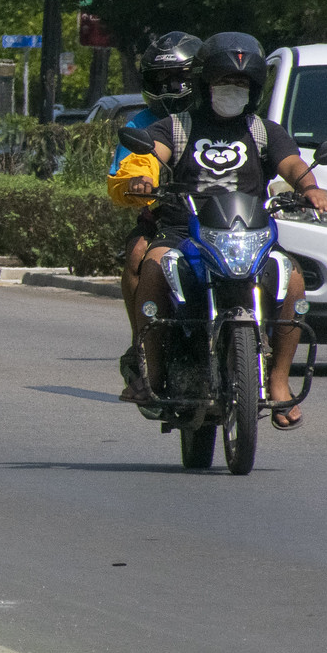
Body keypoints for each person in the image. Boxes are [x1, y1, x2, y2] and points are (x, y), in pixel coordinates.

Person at [127, 32, 327, 426]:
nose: (231, 90)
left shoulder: (264, 131)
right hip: (184, 232)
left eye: (240, 83)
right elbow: (151, 154)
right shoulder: (177, 126)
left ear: (253, 89)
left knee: (293, 281)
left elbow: (291, 164)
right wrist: (142, 176)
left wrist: (310, 188)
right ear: (205, 84)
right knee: (153, 266)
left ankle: (278, 382)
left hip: (247, 235)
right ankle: (150, 374)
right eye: (224, 82)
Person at [106, 32, 199, 393]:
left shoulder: (223, 118)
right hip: (166, 220)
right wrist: (139, 185)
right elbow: (125, 175)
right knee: (138, 256)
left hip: (224, 221)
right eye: (161, 80)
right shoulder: (139, 126)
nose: (171, 88)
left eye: (180, 79)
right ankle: (143, 347)